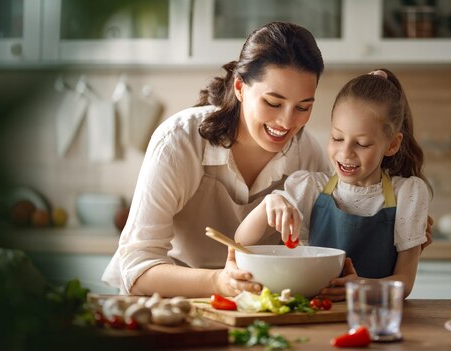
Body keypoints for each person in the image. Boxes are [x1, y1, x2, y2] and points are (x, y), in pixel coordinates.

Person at [102, 22, 433, 298]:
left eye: (303, 107)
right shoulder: (179, 141)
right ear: (241, 88)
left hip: (254, 308)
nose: (287, 122)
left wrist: (406, 235)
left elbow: (324, 241)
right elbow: (137, 270)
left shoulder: (308, 153)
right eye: (273, 102)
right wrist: (218, 282)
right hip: (172, 305)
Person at [235, 69, 431, 300]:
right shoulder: (309, 187)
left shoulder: (407, 194)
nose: (345, 153)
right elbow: (241, 241)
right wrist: (270, 202)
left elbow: (404, 283)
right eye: (337, 138)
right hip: (314, 314)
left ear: (391, 144)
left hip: (372, 318)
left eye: (362, 143)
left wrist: (360, 288)